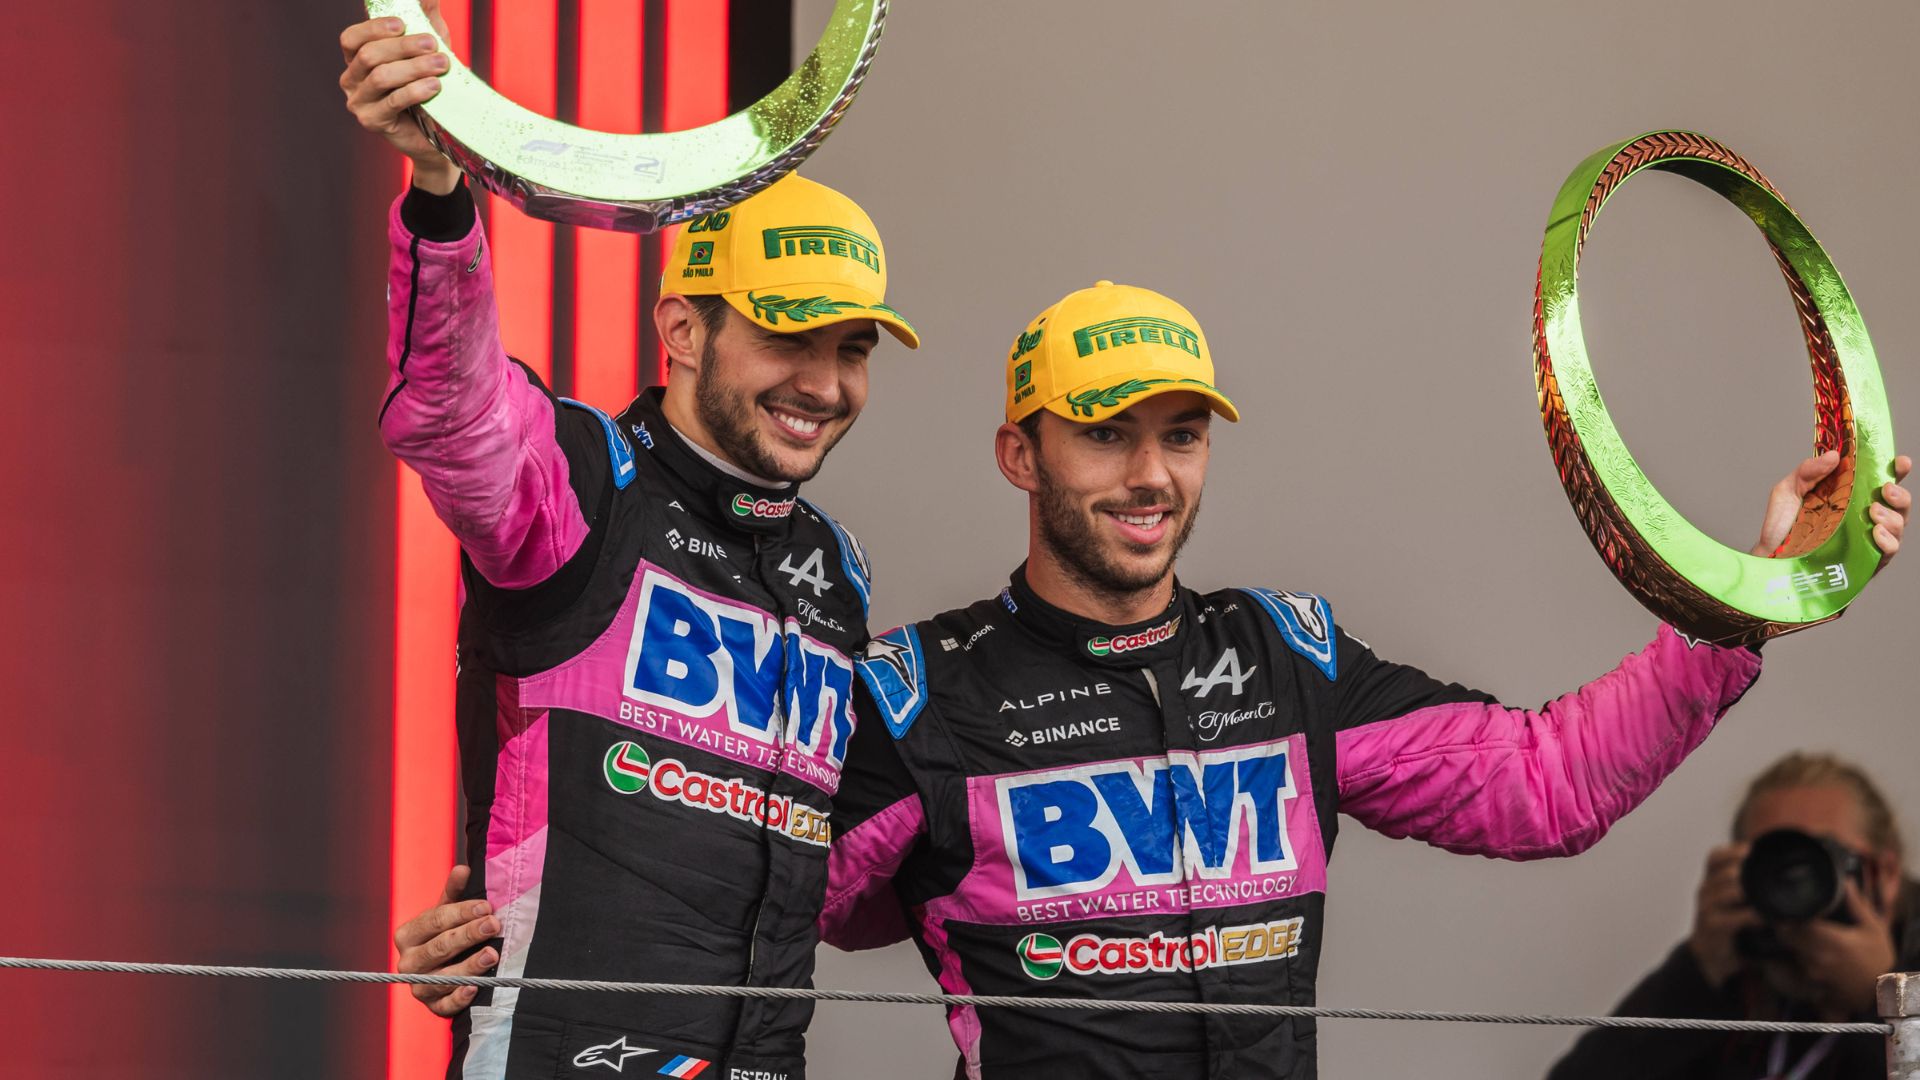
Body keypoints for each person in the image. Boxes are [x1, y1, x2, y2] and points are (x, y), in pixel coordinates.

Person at [818, 281, 1912, 1079]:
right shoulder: (922, 695)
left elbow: (1548, 785)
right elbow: (785, 904)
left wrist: (1749, 604)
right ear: (1021, 455)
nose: (1151, 476)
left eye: (1182, 437)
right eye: (1106, 435)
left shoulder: (1284, 659)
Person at [339, 6, 918, 1076]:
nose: (827, 386)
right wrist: (438, 192)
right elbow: (449, 410)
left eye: (853, 349)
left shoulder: (834, 569)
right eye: (789, 337)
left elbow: (840, 876)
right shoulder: (580, 482)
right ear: (683, 330)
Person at [1546, 752, 1918, 1080]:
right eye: (1775, 857)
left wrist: (1885, 999)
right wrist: (1696, 972)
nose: (1795, 878)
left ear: (1883, 874)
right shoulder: (1737, 974)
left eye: (1822, 856)